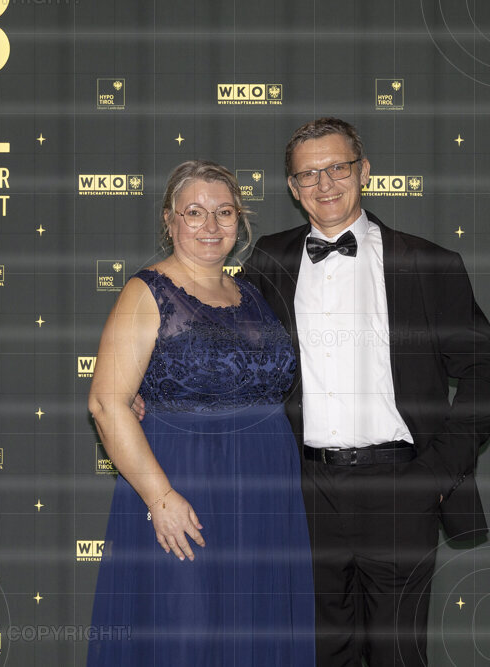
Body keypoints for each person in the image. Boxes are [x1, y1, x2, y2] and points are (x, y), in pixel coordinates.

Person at [242, 118, 490, 667]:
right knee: (317, 653)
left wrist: (435, 474)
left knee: (398, 654)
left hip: (399, 488)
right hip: (303, 490)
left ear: (363, 170)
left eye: (337, 167)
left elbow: (483, 371)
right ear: (292, 187)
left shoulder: (428, 263)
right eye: (308, 174)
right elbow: (223, 345)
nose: (324, 184)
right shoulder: (267, 260)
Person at [85, 160, 316, 667]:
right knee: (185, 633)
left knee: (257, 632)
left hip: (265, 493)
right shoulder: (146, 292)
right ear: (170, 221)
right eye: (194, 212)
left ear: (240, 220)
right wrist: (160, 498)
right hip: (183, 486)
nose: (210, 225)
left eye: (224, 212)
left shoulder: (251, 292)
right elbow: (106, 402)